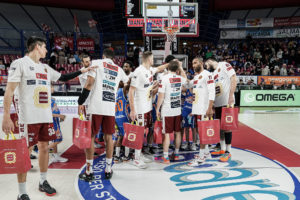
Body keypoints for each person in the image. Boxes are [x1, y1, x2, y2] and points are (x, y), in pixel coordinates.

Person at [2, 36, 94, 200]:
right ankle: (22, 192)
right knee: (25, 153)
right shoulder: (20, 64)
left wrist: (82, 71)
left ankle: (43, 181)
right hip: (27, 118)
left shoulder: (45, 67)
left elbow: (63, 78)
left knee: (45, 149)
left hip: (45, 117)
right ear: (37, 47)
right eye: (44, 47)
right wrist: (6, 117)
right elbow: (9, 91)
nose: (46, 50)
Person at [77, 48, 129, 180]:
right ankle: (108, 169)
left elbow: (89, 83)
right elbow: (127, 81)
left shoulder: (97, 63)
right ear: (113, 58)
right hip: (110, 107)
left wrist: (81, 101)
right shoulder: (118, 69)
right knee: (109, 137)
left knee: (91, 137)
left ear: (103, 55)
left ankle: (89, 171)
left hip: (95, 106)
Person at [128, 51, 169, 169]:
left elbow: (159, 68)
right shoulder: (138, 71)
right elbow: (131, 91)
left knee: (145, 131)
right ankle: (136, 159)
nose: (153, 61)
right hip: (139, 107)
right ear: (148, 59)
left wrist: (169, 64)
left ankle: (139, 154)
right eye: (152, 59)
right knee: (139, 132)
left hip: (148, 107)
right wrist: (132, 110)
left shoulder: (149, 70)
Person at [205, 57, 237, 162]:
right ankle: (222, 149)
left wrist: (231, 95)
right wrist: (213, 104)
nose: (206, 67)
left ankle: (228, 151)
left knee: (227, 127)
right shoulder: (213, 74)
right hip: (218, 103)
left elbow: (233, 77)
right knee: (220, 127)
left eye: (206, 64)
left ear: (210, 61)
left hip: (227, 102)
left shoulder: (223, 64)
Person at [156, 60, 187, 164]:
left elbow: (161, 96)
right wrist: (181, 68)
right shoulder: (180, 78)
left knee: (167, 134)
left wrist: (157, 108)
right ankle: (177, 154)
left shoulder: (164, 79)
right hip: (177, 110)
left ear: (168, 68)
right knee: (177, 132)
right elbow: (186, 80)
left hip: (167, 110)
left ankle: (166, 157)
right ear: (177, 69)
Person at [187, 58, 215, 166]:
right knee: (200, 132)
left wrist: (210, 108)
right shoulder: (196, 76)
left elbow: (212, 91)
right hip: (198, 109)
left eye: (195, 63)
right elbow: (188, 85)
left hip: (204, 109)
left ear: (201, 63)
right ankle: (206, 153)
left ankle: (201, 157)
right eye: (192, 63)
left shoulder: (207, 74)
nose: (193, 65)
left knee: (203, 133)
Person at [48, 84, 68, 163]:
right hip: (52, 123)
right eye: (51, 87)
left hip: (55, 121)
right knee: (59, 139)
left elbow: (54, 110)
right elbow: (48, 114)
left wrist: (59, 117)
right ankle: (44, 150)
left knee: (55, 139)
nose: (53, 88)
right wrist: (60, 115)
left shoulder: (52, 99)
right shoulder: (46, 100)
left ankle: (55, 156)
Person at [114, 80, 131, 162]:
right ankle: (126, 156)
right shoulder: (122, 90)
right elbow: (127, 86)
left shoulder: (115, 92)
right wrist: (129, 80)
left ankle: (117, 156)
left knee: (120, 137)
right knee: (127, 137)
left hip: (116, 117)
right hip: (124, 117)